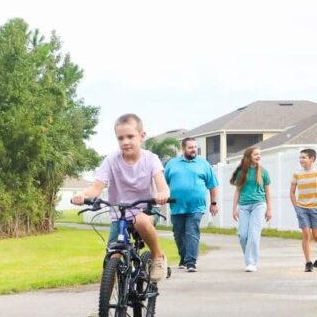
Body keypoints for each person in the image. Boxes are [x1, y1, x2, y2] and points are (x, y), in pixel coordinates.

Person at [70, 113, 171, 282]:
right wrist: (81, 195)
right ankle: (105, 306)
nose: (125, 142)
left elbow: (162, 185)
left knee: (141, 221)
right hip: (120, 213)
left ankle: (157, 257)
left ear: (141, 136)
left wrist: (162, 194)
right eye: (120, 138)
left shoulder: (151, 159)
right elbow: (96, 187)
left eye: (130, 136)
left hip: (145, 208)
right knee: (112, 257)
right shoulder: (111, 160)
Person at [163, 137, 219, 272]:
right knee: (178, 234)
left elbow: (213, 185)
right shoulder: (172, 164)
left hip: (196, 207)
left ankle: (191, 262)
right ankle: (183, 257)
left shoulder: (204, 164)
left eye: (195, 147)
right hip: (177, 207)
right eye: (190, 147)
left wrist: (213, 203)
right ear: (183, 149)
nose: (194, 150)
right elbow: (163, 184)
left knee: (192, 231)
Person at [290, 148, 317, 272]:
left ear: (312, 159)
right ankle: (308, 263)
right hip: (301, 208)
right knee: (306, 234)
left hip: (315, 209)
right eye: (300, 157)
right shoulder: (296, 174)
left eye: (303, 157)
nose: (300, 160)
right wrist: (296, 206)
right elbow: (292, 192)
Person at [231, 147, 272, 272]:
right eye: (255, 154)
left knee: (254, 233)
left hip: (259, 205)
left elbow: (268, 191)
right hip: (243, 206)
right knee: (243, 235)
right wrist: (234, 209)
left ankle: (251, 262)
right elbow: (237, 191)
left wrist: (269, 208)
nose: (258, 156)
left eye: (259, 154)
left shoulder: (264, 172)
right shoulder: (241, 172)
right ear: (249, 156)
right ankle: (249, 257)